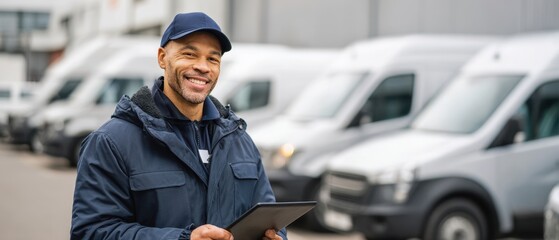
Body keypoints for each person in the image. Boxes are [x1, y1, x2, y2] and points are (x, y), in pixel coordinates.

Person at [70, 12, 286, 240]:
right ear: (162, 58)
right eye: (189, 54)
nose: (203, 67)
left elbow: (268, 218)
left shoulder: (239, 140)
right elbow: (91, 232)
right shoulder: (111, 142)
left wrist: (274, 235)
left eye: (213, 59)